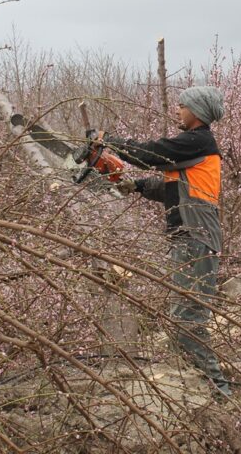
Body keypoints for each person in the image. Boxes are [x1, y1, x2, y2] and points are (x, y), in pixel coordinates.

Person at [96, 86, 231, 398]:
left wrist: (111, 142)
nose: (178, 111)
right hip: (190, 237)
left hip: (196, 238)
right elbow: (172, 188)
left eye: (183, 106)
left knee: (187, 320)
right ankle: (196, 385)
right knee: (181, 317)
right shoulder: (195, 148)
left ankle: (219, 391)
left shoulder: (197, 140)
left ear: (197, 111)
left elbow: (150, 154)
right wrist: (136, 186)